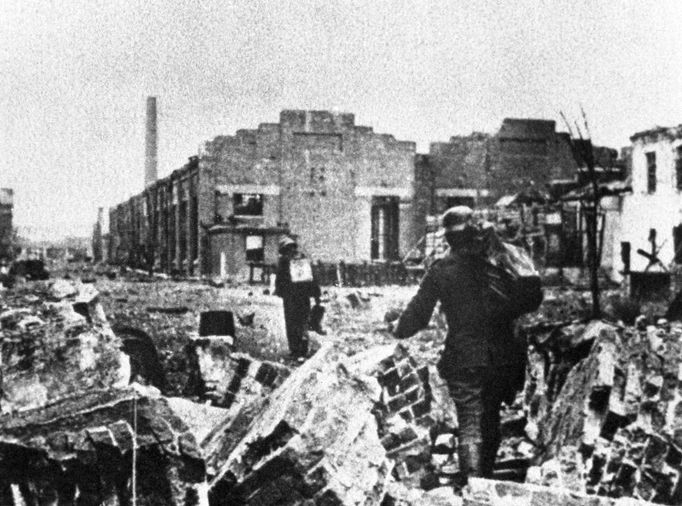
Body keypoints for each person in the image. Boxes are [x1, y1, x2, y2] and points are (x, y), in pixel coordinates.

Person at [392, 206, 542, 484]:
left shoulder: (442, 270)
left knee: (470, 423)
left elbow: (418, 314)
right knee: (491, 419)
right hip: (503, 357)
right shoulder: (499, 262)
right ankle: (484, 481)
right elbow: (527, 299)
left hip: (465, 356)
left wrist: (397, 330)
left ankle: (474, 488)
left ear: (449, 238)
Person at [274, 236, 321, 360]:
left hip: (290, 298)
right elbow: (313, 278)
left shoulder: (284, 261)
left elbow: (280, 279)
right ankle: (303, 349)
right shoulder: (303, 259)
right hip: (304, 296)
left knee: (292, 323)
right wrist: (316, 295)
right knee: (303, 322)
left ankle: (295, 349)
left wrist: (279, 292)